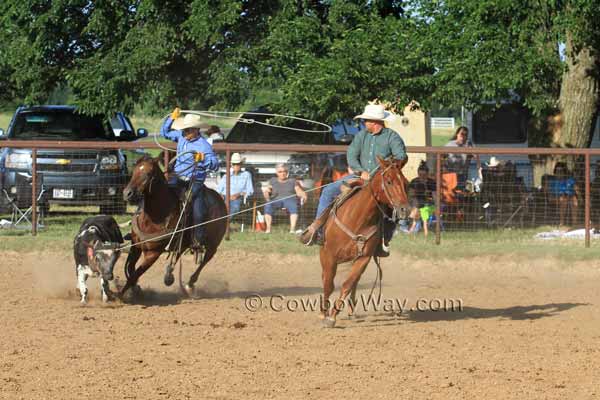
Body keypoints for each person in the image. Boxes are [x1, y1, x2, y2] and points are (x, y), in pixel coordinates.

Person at [300, 103, 408, 256]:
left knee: (394, 204)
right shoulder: (361, 136)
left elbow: (401, 156)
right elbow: (351, 155)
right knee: (328, 191)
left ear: (375, 122)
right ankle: (317, 230)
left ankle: (384, 240)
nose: (365, 123)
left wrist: (385, 168)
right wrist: (360, 170)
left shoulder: (392, 137)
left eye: (367, 120)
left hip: (382, 180)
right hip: (358, 176)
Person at [160, 108, 219, 246]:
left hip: (195, 180)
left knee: (198, 211)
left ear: (196, 130)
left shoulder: (204, 146)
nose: (185, 132)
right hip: (178, 176)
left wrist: (203, 159)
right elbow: (165, 132)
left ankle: (198, 239)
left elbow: (215, 164)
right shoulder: (180, 136)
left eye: (188, 130)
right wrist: (172, 118)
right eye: (185, 129)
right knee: (161, 194)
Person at [262, 163, 307, 233]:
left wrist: (303, 195)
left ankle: (292, 230)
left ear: (287, 172)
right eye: (280, 172)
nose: (282, 173)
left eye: (284, 171)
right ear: (276, 173)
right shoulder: (273, 180)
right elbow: (268, 192)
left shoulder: (292, 181)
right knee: (268, 205)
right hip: (276, 200)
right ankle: (268, 229)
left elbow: (298, 191)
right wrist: (266, 192)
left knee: (294, 206)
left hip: (290, 199)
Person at [217, 152, 254, 217]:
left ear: (241, 164)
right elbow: (219, 190)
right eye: (234, 164)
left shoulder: (246, 175)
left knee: (234, 207)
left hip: (237, 198)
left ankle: (225, 224)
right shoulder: (226, 175)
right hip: (224, 197)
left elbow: (250, 191)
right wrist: (221, 196)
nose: (236, 166)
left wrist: (239, 194)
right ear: (232, 165)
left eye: (238, 164)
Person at [407, 161, 437, 236]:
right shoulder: (414, 181)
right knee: (417, 203)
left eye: (424, 175)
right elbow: (410, 195)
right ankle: (412, 225)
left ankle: (411, 224)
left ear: (427, 174)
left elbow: (435, 196)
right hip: (415, 202)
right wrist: (418, 193)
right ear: (418, 174)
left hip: (428, 204)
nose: (422, 176)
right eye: (420, 174)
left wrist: (436, 203)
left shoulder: (431, 182)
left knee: (420, 206)